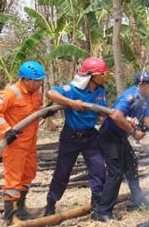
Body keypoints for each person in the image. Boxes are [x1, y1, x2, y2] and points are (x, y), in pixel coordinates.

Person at [91, 70, 149, 222]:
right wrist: (133, 132)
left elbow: (146, 118)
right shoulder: (130, 96)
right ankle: (102, 211)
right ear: (143, 85)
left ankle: (137, 201)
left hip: (120, 137)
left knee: (131, 165)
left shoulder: (145, 98)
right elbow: (116, 115)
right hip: (109, 136)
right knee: (116, 172)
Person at [43, 57, 109, 216]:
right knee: (62, 172)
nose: (104, 77)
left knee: (99, 170)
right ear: (91, 76)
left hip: (90, 136)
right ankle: (51, 203)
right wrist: (71, 103)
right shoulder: (73, 89)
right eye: (101, 74)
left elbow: (102, 110)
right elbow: (51, 93)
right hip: (71, 136)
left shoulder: (101, 90)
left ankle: (98, 205)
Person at [0, 61, 45, 225]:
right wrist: (6, 129)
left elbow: (33, 112)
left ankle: (21, 209)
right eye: (38, 80)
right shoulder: (11, 93)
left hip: (30, 142)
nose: (40, 83)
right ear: (26, 80)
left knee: (28, 174)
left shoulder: (35, 92)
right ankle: (10, 217)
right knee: (13, 180)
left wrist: (44, 113)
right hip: (15, 145)